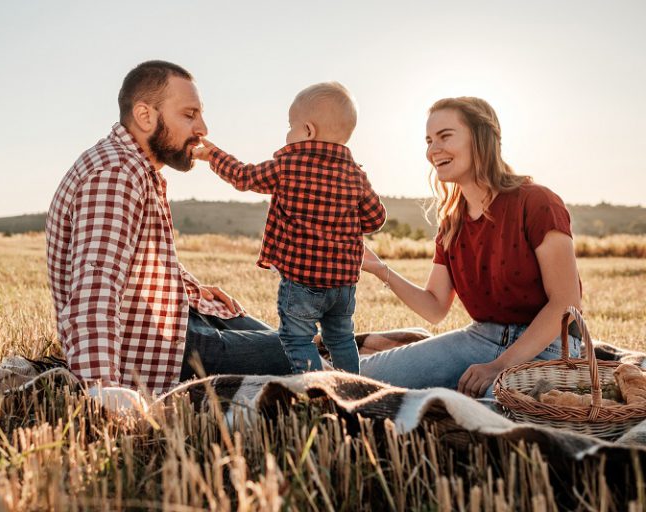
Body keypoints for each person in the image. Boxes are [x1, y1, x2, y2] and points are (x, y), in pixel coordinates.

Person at [45, 60, 293, 401]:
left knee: (306, 343)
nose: (203, 127)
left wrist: (191, 290)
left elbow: (135, 263)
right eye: (189, 115)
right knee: (316, 355)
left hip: (178, 323)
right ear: (146, 116)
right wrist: (101, 391)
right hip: (161, 353)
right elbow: (94, 291)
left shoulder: (132, 166)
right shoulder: (117, 174)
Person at [358, 96, 583, 398]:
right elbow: (435, 306)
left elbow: (565, 304)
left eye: (445, 136)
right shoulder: (452, 222)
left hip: (550, 345)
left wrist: (498, 366)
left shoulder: (538, 202)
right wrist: (379, 269)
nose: (432, 150)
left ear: (481, 138)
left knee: (493, 411)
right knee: (362, 378)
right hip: (479, 338)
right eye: (428, 140)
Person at [193, 82, 386, 374]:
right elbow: (375, 219)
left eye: (290, 126)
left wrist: (214, 156)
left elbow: (244, 177)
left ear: (307, 130)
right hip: (343, 285)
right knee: (342, 338)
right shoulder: (356, 174)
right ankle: (352, 387)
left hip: (302, 283)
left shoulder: (288, 166)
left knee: (297, 339)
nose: (287, 134)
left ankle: (317, 387)